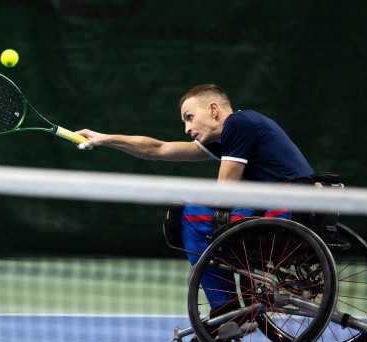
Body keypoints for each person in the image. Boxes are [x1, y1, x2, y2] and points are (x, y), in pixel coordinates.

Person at [75, 84, 314, 317]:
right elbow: (157, 149)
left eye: (190, 117)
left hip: (286, 211)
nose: (187, 128)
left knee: (190, 215)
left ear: (213, 109)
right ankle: (230, 309)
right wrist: (104, 139)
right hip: (297, 209)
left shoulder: (238, 124)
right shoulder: (236, 131)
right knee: (199, 214)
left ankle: (227, 310)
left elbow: (224, 193)